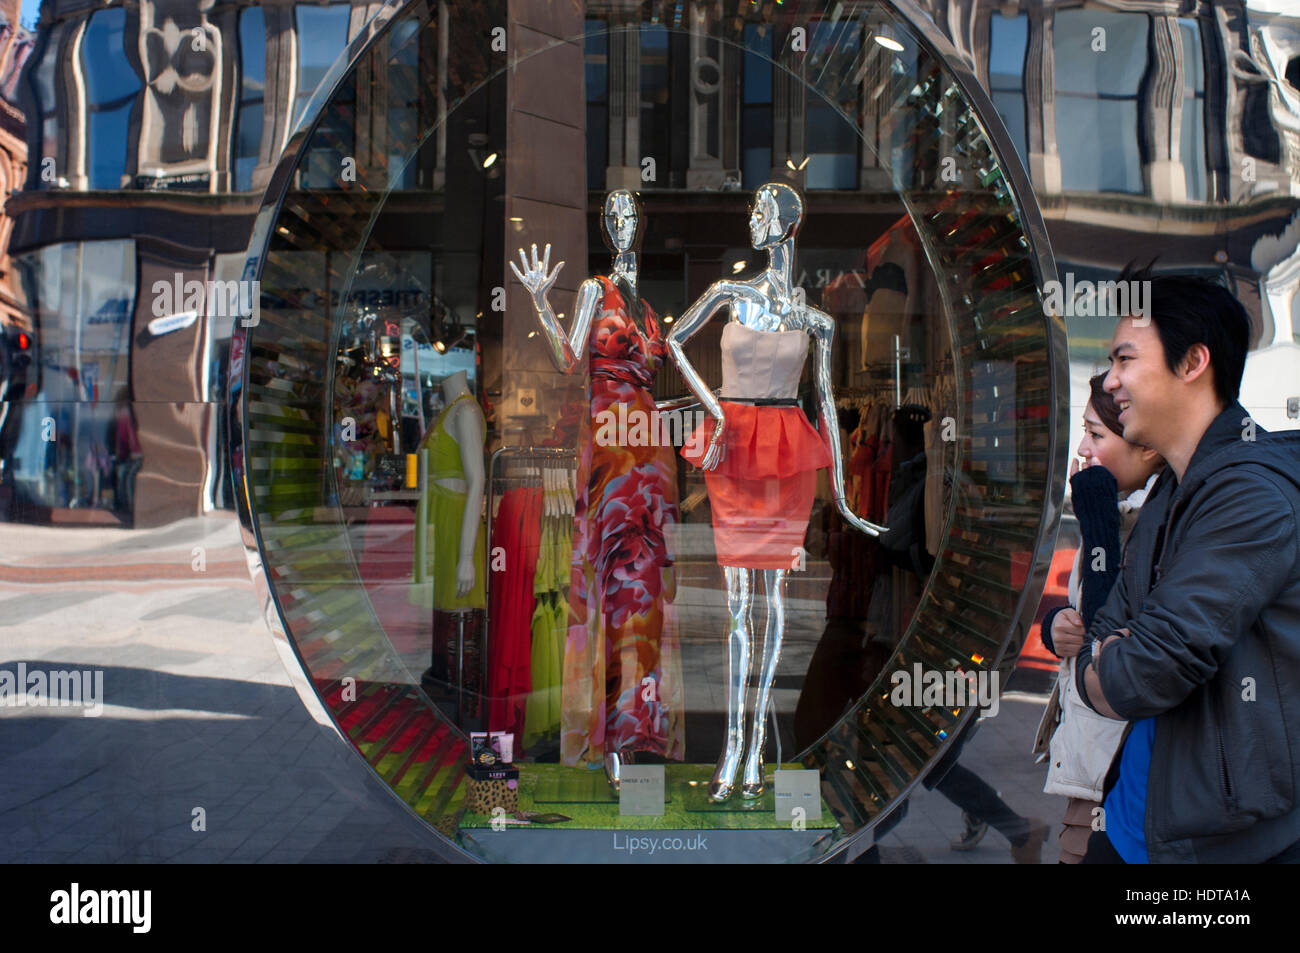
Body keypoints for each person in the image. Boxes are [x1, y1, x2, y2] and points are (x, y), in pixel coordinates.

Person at [1076, 269, 1300, 863]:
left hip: (1218, 844)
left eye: (1124, 358)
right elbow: (1102, 633)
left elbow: (1142, 671)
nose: (1112, 380)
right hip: (1137, 817)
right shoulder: (1174, 489)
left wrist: (1113, 658)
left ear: (1193, 362)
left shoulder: (1250, 497)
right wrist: (1106, 654)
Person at [1033, 373, 1163, 862]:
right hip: (1089, 766)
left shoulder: (1157, 522)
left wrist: (1101, 526)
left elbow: (1116, 648)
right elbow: (1089, 618)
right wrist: (1057, 626)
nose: (1083, 448)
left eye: (1096, 434)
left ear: (1145, 447)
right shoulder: (1115, 509)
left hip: (1120, 773)